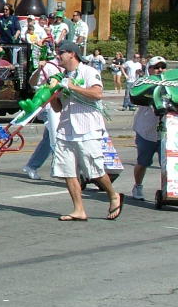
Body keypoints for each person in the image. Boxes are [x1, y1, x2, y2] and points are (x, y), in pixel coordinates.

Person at [51, 41, 123, 221]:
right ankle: (78, 209)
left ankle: (114, 195)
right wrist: (52, 92)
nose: (58, 56)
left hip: (87, 128)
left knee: (95, 170)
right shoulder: (61, 76)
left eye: (61, 53)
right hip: (66, 128)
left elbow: (97, 94)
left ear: (72, 54)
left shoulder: (89, 72)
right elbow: (58, 108)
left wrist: (71, 86)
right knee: (67, 171)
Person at [21, 47, 62, 180]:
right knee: (55, 137)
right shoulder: (49, 66)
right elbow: (32, 82)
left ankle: (32, 166)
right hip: (46, 107)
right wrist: (39, 69)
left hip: (58, 107)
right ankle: (58, 167)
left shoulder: (67, 69)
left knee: (49, 139)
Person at [130, 56, 166, 200]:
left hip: (166, 132)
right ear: (149, 69)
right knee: (143, 162)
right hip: (146, 130)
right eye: (156, 67)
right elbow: (137, 95)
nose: (160, 70)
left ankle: (169, 190)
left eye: (162, 67)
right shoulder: (143, 83)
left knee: (169, 163)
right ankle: (137, 186)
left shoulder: (171, 84)